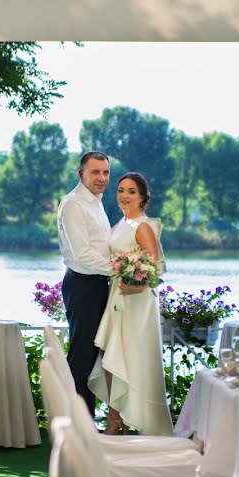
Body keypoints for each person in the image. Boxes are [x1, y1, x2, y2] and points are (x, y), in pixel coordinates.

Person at [87, 172, 174, 436]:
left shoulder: (142, 226)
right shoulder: (122, 222)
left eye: (132, 191)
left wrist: (137, 286)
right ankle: (117, 418)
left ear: (143, 197)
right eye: (121, 190)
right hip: (118, 297)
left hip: (136, 301)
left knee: (131, 357)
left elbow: (156, 267)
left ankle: (119, 421)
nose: (124, 195)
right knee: (112, 357)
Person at [56, 151, 114, 417]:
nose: (101, 178)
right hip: (83, 286)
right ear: (81, 174)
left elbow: (102, 247)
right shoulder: (73, 205)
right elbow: (83, 255)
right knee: (81, 357)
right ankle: (76, 426)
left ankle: (87, 422)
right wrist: (121, 269)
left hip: (100, 284)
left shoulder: (96, 202)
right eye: (95, 172)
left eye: (105, 172)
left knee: (92, 360)